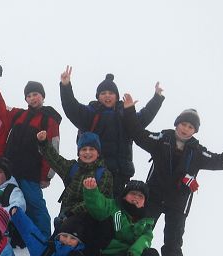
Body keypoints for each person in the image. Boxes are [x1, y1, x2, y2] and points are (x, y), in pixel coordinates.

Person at [122, 93, 223, 256]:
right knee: (140, 230)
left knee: (173, 241)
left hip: (178, 203)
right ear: (177, 124)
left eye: (190, 127)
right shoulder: (161, 139)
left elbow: (221, 162)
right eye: (183, 124)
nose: (185, 129)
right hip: (154, 196)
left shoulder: (197, 151)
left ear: (194, 131)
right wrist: (129, 110)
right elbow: (138, 135)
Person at [59, 67, 165, 198]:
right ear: (98, 97)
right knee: (91, 205)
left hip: (119, 175)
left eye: (111, 93)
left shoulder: (126, 115)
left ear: (116, 97)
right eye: (103, 93)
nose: (107, 95)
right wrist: (65, 86)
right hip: (94, 173)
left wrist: (157, 98)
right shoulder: (91, 113)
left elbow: (145, 116)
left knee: (114, 208)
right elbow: (71, 107)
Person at [0, 71, 62, 238]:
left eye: (35, 94)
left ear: (42, 96)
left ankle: (44, 240)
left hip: (31, 174)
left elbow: (53, 149)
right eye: (29, 95)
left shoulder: (49, 120)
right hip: (11, 172)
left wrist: (46, 176)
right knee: (9, 204)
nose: (32, 98)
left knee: (35, 206)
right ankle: (12, 238)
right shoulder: (18, 114)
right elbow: (0, 107)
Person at [35, 129, 113, 229]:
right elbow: (55, 159)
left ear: (98, 153)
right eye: (84, 149)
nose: (87, 152)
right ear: (78, 152)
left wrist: (72, 213)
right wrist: (44, 142)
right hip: (65, 219)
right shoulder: (72, 168)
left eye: (92, 149)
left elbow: (101, 201)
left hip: (91, 221)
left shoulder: (104, 174)